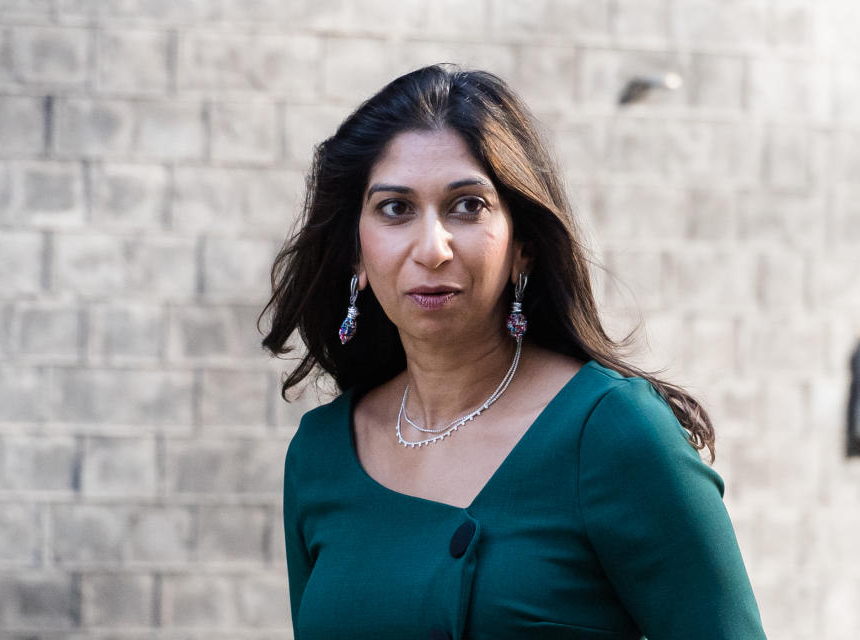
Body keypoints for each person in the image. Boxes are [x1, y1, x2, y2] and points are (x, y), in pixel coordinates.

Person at [261, 64, 767, 640]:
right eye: (396, 209)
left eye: (468, 206)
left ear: (524, 245)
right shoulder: (322, 454)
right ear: (356, 252)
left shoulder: (613, 431)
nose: (432, 248)